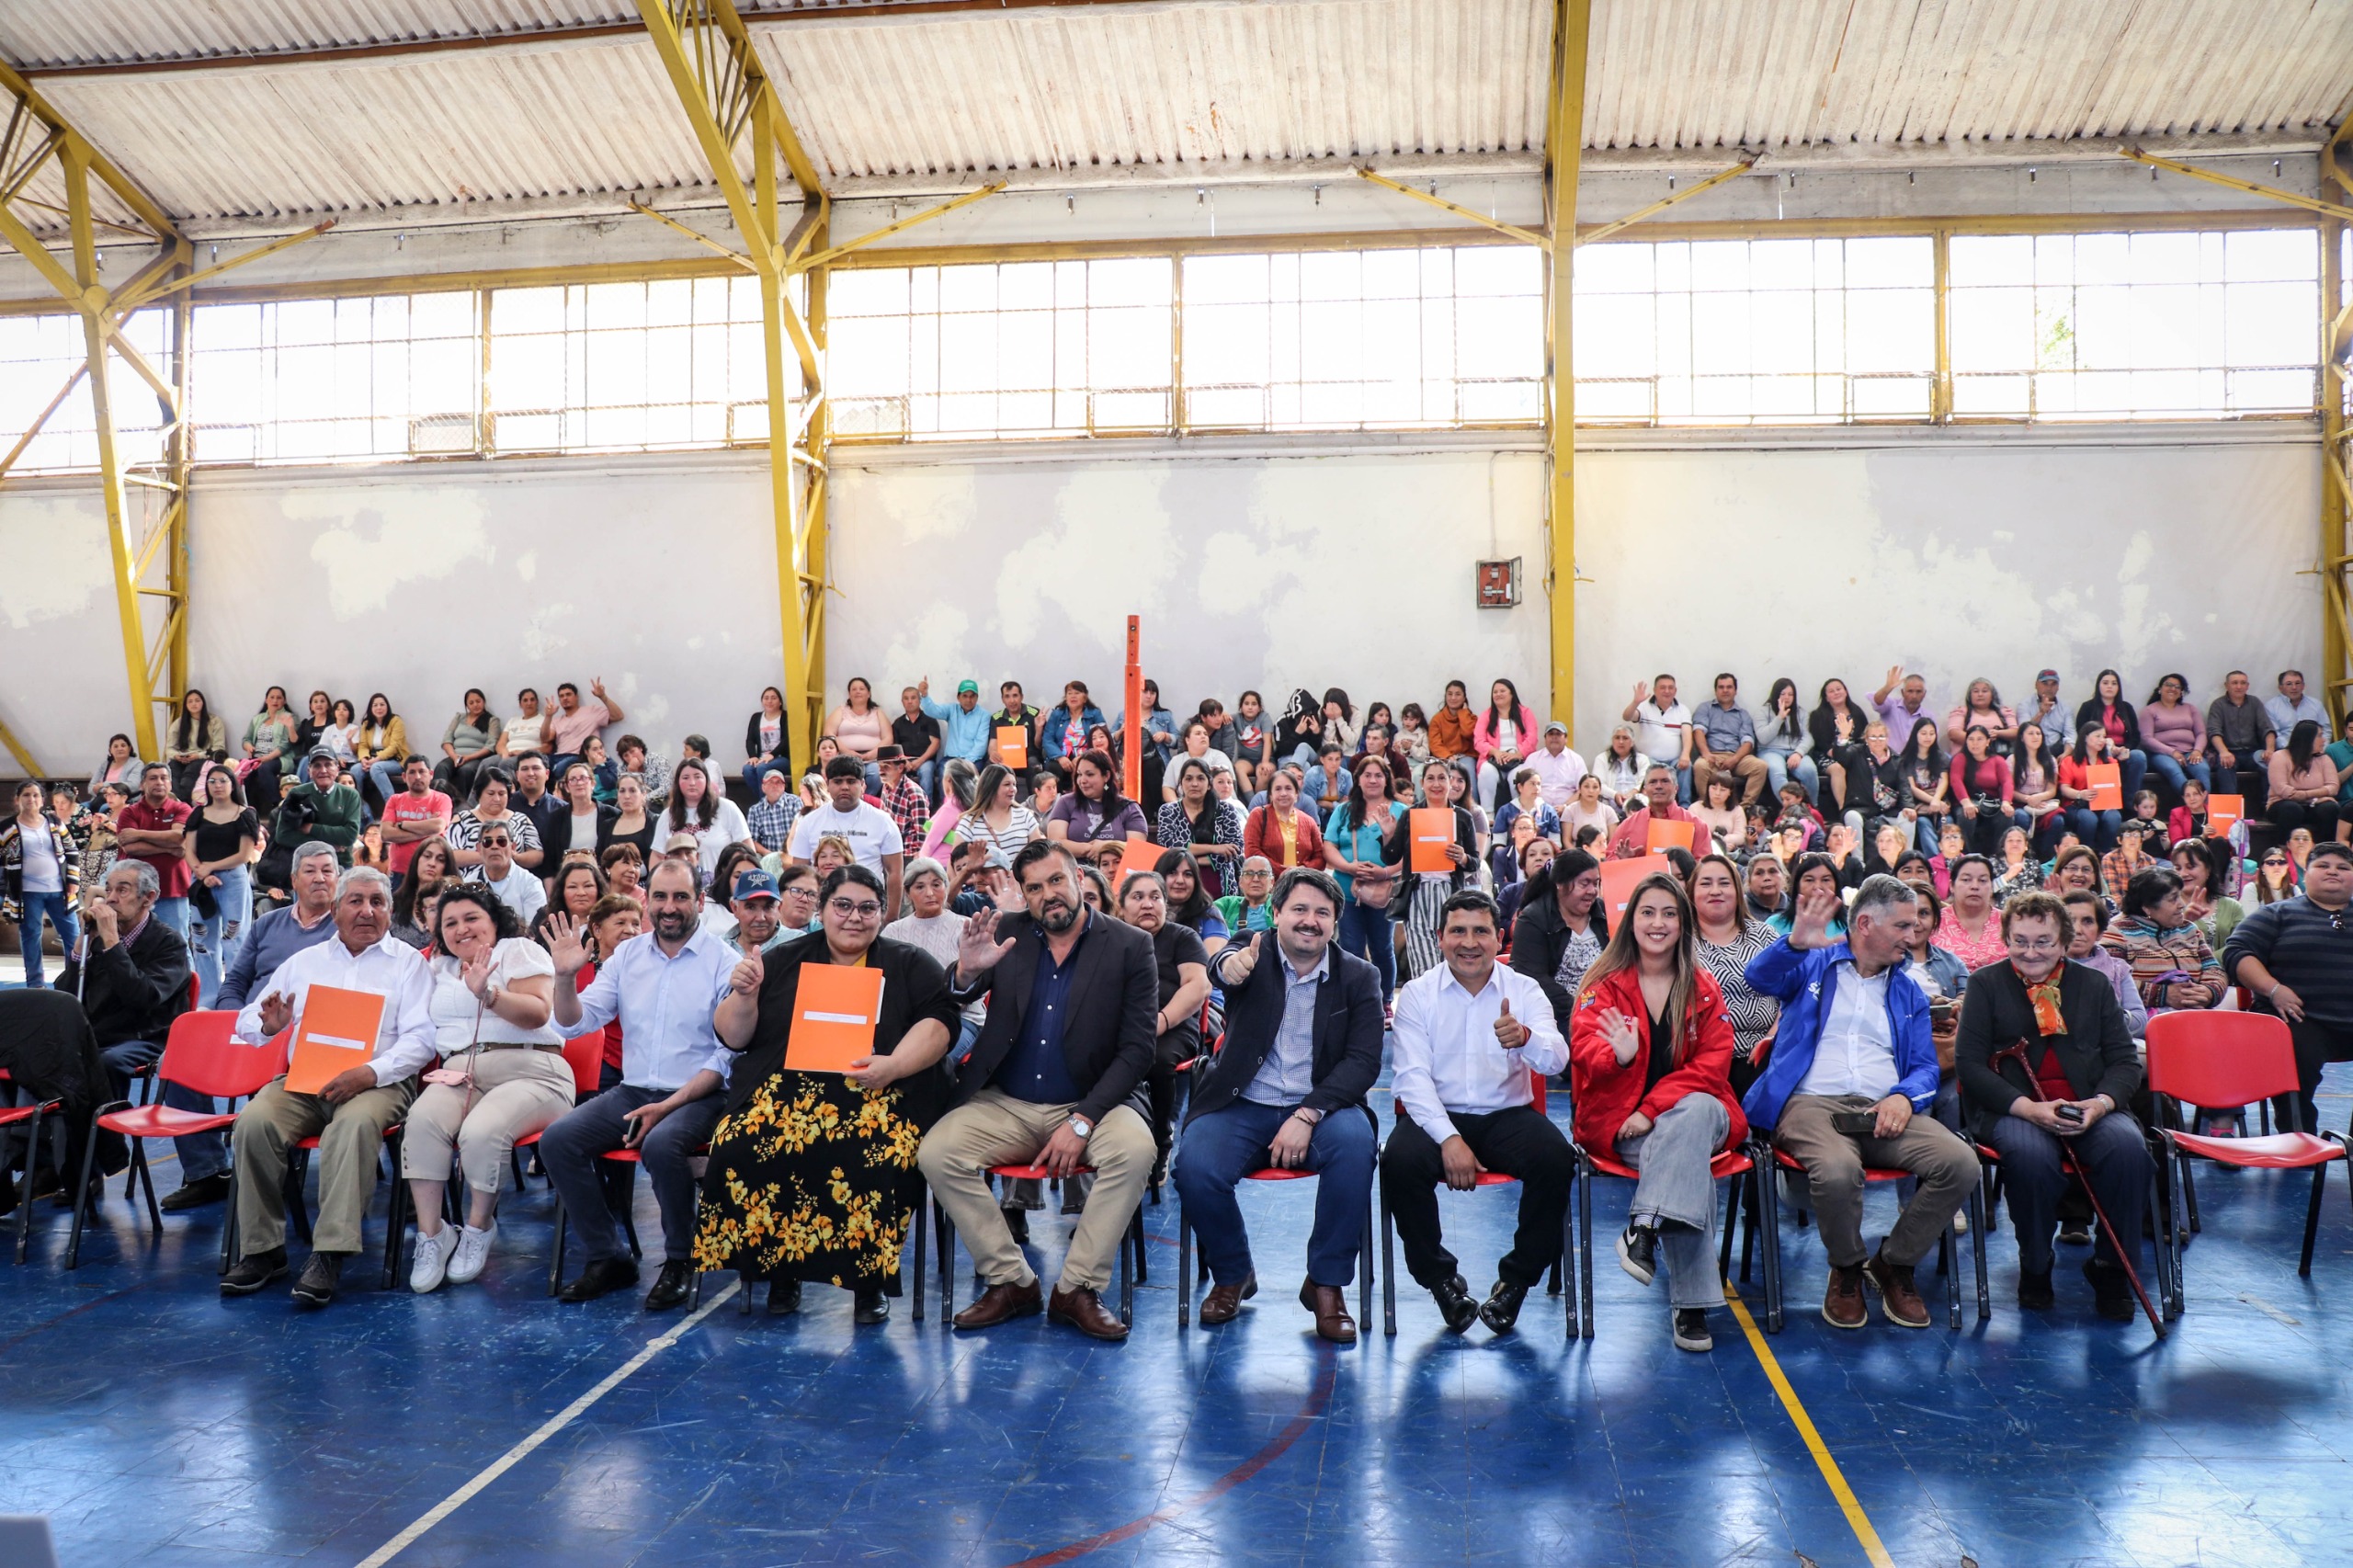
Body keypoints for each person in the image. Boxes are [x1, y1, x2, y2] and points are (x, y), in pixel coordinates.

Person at [915, 841, 1159, 1341]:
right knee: (937, 1153)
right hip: (1007, 1102)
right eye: (1033, 888)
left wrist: (1083, 1120)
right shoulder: (1006, 935)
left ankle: (1077, 1288)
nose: (1048, 895)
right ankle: (1011, 1281)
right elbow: (954, 998)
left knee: (1137, 1152)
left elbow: (1137, 1051)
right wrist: (966, 972)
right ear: (1022, 895)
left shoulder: (1131, 945)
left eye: (1055, 881)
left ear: (1076, 879)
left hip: (1094, 1102)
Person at [693, 862, 959, 1322]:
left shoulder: (909, 963)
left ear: (883, 913)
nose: (854, 917)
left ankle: (867, 1280)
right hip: (788, 1087)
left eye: (867, 908)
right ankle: (778, 1271)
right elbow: (733, 1037)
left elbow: (943, 1024)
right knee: (742, 1142)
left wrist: (894, 1066)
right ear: (822, 908)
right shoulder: (779, 960)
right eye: (842, 906)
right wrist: (744, 997)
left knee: (877, 1153)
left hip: (880, 1089)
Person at [1743, 875, 1981, 1330]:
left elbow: (1926, 1068)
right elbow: (1758, 978)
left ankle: (1893, 1262)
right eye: (1904, 926)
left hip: (1883, 1106)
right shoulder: (1813, 963)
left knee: (1961, 1162)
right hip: (1811, 1103)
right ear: (1866, 923)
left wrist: (1904, 1097)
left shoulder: (1910, 990)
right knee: (1836, 1170)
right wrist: (1793, 944)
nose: (1914, 937)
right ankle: (1848, 1268)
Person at [1176, 869, 1383, 1342]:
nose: (1309, 921)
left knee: (1356, 1148)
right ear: (1276, 915)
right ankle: (1233, 1272)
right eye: (1299, 910)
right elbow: (1223, 961)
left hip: (1324, 1108)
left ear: (1335, 922)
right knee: (1195, 1166)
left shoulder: (1359, 976)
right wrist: (1225, 966)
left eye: (1322, 913)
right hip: (1241, 1102)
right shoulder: (1253, 948)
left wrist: (1308, 1114)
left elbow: (1363, 1062)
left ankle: (1326, 1284)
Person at [222, 868, 434, 1307]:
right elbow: (247, 1022)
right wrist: (268, 1025)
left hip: (378, 1082)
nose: (367, 911)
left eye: (377, 902)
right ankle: (263, 1251)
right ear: (335, 910)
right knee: (254, 1123)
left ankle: (329, 1252)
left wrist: (370, 1073)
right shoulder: (306, 962)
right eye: (355, 901)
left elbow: (421, 1039)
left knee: (351, 1128)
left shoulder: (409, 964)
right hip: (306, 1081)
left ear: (390, 913)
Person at [540, 857, 735, 1309]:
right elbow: (574, 1023)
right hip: (633, 1091)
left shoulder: (724, 962)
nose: (670, 907)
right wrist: (565, 977)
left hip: (698, 1095)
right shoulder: (628, 955)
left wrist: (666, 1108)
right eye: (661, 897)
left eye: (681, 897)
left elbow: (727, 1057)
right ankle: (609, 1257)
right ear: (649, 901)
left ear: (700, 901)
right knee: (558, 1141)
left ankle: (681, 1261)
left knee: (660, 1145)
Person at [1381, 890, 1572, 1335]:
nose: (1470, 942)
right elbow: (1411, 1079)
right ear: (1439, 937)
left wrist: (1525, 1038)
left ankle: (1516, 1282)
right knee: (1399, 1163)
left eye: (1481, 931)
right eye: (1458, 931)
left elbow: (1557, 1059)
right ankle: (1441, 1281)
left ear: (1499, 936)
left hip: (1507, 1116)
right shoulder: (1417, 994)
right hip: (1434, 1116)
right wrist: (1450, 1139)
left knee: (1555, 1160)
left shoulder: (1524, 990)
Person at [1573, 871, 1748, 1352]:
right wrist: (1620, 1056)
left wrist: (1652, 1110)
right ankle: (1690, 1305)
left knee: (1692, 1113)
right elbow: (1584, 1052)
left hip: (1690, 1115)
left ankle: (1644, 1226)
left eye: (1669, 913)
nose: (1658, 923)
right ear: (1630, 922)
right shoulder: (1602, 986)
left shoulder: (1704, 988)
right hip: (1620, 1124)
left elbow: (1713, 1067)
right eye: (1648, 912)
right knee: (1685, 1159)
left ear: (1683, 923)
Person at [1956, 891, 2150, 1319]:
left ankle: (2111, 1267)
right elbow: (1970, 1066)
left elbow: (2123, 1061)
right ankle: (2036, 1263)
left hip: (2089, 1106)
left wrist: (2100, 1105)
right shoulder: (1985, 984)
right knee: (2029, 1157)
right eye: (2020, 941)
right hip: (2017, 1108)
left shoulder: (2094, 985)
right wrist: (2027, 1108)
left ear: (2063, 940)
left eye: (2043, 941)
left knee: (2129, 1152)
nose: (2031, 952)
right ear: (2005, 938)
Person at [399, 882, 571, 1292]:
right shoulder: (436, 968)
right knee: (420, 1122)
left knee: (482, 1131)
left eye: (472, 918)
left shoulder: (518, 951)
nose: (462, 929)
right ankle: (433, 1235)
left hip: (534, 1066)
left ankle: (478, 1227)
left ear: (495, 921)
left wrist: (488, 994)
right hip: (462, 1070)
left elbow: (537, 1013)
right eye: (450, 923)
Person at [58, 862, 207, 1207]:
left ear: (149, 898)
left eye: (122, 890)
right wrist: (83, 947)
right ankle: (53, 1163)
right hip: (99, 1033)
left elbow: (144, 999)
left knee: (105, 1063)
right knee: (39, 1057)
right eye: (107, 889)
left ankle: (97, 1163)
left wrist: (111, 945)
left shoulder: (168, 942)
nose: (110, 899)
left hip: (147, 1036)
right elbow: (67, 995)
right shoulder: (98, 937)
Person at [2222, 838, 2353, 1133]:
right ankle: (2299, 1135)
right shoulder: (2277, 913)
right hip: (2298, 1019)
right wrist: (2273, 989)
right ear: (2306, 875)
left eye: (2343, 867)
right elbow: (2237, 953)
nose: (2333, 871)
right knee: (2293, 1050)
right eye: (2323, 866)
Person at [1120, 871, 1212, 1187]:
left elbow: (1197, 985)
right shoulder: (1112, 937)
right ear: (1121, 907)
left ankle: (1161, 1141)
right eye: (1138, 897)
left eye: (1155, 897)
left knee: (1155, 1060)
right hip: (1119, 1026)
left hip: (1172, 1027)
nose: (1147, 904)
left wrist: (1158, 1022)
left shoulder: (1182, 937)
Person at [1689, 853, 1779, 1097]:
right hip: (1701, 1057)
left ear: (1738, 891)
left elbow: (1791, 995)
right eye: (1706, 883)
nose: (1715, 891)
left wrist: (1772, 1038)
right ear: (1692, 893)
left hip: (1764, 1052)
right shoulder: (1679, 941)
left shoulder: (1766, 936)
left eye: (1724, 883)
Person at [1323, 754, 1406, 1006]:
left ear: (1386, 779)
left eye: (1378, 775)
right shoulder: (1344, 810)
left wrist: (1385, 872)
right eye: (1367, 775)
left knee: (1382, 948)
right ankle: (1352, 1003)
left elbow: (1410, 853)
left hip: (1385, 892)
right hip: (1348, 891)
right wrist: (1348, 867)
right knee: (1351, 949)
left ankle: (1385, 1002)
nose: (1372, 780)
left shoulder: (1402, 810)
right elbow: (1329, 846)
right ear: (1358, 779)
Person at [787, 755, 907, 916]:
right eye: (838, 781)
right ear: (827, 784)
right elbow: (799, 874)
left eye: (851, 781)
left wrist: (890, 919)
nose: (844, 787)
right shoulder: (809, 822)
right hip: (821, 915)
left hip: (868, 912)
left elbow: (895, 873)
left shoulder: (883, 821)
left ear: (863, 785)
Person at [2099, 866, 2224, 1019]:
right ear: (2147, 907)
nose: (2182, 905)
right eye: (2173, 899)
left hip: (2197, 1017)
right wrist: (2163, 995)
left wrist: (2209, 992)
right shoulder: (2117, 933)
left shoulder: (2189, 930)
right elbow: (2112, 984)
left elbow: (2214, 970)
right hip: (2144, 1027)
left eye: (2180, 896)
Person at [181, 766, 258, 1007]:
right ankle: (208, 997)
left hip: (232, 879)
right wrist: (201, 873)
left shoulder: (244, 813)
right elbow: (188, 850)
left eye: (222, 781)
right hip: (201, 879)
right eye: (212, 781)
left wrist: (211, 867)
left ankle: (235, 997)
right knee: (203, 939)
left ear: (232, 784)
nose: (217, 785)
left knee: (234, 938)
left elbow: (244, 854)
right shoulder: (198, 814)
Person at [4, 780, 78, 989]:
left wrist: (72, 881)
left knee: (73, 936)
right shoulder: (7, 828)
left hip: (60, 890)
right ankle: (35, 984)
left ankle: (74, 981)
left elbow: (72, 851)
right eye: (26, 795)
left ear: (42, 800)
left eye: (36, 795)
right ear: (17, 800)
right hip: (28, 892)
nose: (31, 799)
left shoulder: (53, 822)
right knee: (31, 937)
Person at [115, 766, 195, 941]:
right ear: (142, 784)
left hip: (173, 889)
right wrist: (166, 848)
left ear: (170, 784)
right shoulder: (129, 812)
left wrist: (139, 834)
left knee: (177, 943)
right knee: (133, 943)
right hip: (135, 892)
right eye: (153, 778)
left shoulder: (182, 809)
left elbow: (178, 837)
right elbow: (130, 847)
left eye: (164, 778)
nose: (159, 782)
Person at [2059, 890, 2148, 1040]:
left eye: (2087, 922)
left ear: (2100, 932)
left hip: (2111, 1045)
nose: (2078, 930)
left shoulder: (2118, 969)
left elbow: (2140, 1022)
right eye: (2069, 921)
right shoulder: (2043, 968)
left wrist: (2102, 1016)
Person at [1155, 756, 1245, 896]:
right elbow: (1169, 846)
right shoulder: (1168, 811)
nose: (1195, 784)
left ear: (1209, 784)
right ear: (1181, 784)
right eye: (1189, 779)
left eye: (1201, 778)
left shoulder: (1225, 810)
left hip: (1221, 887)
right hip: (1180, 886)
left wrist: (1200, 860)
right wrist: (1215, 848)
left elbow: (1236, 848)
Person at [274, 749, 365, 871]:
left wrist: (311, 828)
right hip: (305, 865)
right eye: (317, 765)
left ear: (337, 769)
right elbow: (283, 835)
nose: (323, 770)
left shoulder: (350, 795)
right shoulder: (296, 793)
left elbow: (350, 836)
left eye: (328, 764)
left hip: (341, 863)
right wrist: (328, 846)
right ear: (309, 771)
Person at [1691, 672, 1768, 809]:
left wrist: (1735, 759)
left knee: (1760, 766)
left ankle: (1745, 808)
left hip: (1736, 757)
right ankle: (1707, 806)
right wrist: (1706, 754)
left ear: (1735, 691)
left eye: (1729, 687)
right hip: (1712, 755)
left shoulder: (1743, 714)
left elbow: (1748, 742)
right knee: (1700, 766)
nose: (1725, 690)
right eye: (1721, 687)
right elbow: (1698, 732)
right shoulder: (1705, 708)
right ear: (1715, 691)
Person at [1046, 748, 1147, 847]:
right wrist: (1090, 849)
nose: (1082, 780)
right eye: (1079, 774)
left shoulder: (1129, 808)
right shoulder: (1065, 802)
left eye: (1090, 774)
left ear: (1106, 776)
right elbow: (1056, 844)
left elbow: (1137, 848)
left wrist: (1105, 847)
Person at [2206, 669, 2277, 811]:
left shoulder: (2255, 702)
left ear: (2247, 686)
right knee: (2225, 766)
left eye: (2242, 683)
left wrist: (2270, 750)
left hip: (2252, 752)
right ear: (2226, 685)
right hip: (2229, 752)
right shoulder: (2218, 705)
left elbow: (2267, 729)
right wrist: (2224, 752)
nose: (2239, 686)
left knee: (2272, 763)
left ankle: (2270, 806)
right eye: (2235, 683)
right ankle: (2231, 810)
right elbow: (2214, 732)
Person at [379, 756, 453, 889]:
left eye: (422, 771)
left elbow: (438, 826)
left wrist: (403, 824)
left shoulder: (442, 799)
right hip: (399, 873)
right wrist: (427, 831)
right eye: (412, 772)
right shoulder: (395, 800)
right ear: (404, 776)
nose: (417, 776)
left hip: (432, 873)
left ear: (431, 774)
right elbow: (386, 834)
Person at [1606, 764, 1706, 860]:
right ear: (1645, 790)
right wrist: (1624, 861)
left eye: (1665, 781)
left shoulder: (1696, 825)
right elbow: (1610, 858)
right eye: (1653, 782)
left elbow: (1704, 864)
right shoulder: (1628, 826)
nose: (1658, 786)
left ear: (1676, 788)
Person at [2267, 720, 2343, 843]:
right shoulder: (2280, 756)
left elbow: (2333, 787)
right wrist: (2318, 794)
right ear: (2307, 739)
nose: (2323, 740)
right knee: (2292, 809)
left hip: (2314, 805)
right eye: (2319, 736)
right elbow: (2284, 790)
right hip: (2282, 804)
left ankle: (2326, 850)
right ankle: (2284, 851)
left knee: (2330, 809)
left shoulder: (2324, 758)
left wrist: (2306, 795)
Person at [2140, 674, 2210, 804]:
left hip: (2190, 752)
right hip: (2161, 754)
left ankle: (2205, 807)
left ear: (2181, 692)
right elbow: (2146, 739)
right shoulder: (2149, 710)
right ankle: (2191, 804)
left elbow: (2201, 733)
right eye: (2169, 685)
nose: (2173, 688)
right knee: (2173, 770)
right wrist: (2172, 752)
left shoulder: (2190, 708)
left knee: (2203, 769)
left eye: (2178, 686)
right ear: (2160, 689)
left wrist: (2197, 751)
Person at [1624, 675, 1695, 802]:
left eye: (1670, 688)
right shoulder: (1644, 706)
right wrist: (1636, 702)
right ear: (1655, 690)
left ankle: (1685, 806)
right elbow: (1627, 717)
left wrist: (1685, 754)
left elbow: (1687, 734)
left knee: (1687, 766)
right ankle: (1653, 806)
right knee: (1650, 767)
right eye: (1663, 687)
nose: (1667, 691)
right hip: (1649, 759)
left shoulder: (1682, 710)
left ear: (1675, 691)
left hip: (1675, 760)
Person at [1949, 725, 2017, 857]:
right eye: (1971, 739)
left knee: (2006, 817)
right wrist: (1966, 802)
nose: (1975, 743)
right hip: (1967, 801)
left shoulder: (1998, 760)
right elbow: (1956, 781)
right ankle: (1966, 855)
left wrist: (2006, 802)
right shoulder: (1960, 758)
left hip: (1991, 803)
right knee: (1966, 816)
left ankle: (1997, 855)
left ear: (1987, 742)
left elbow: (2007, 782)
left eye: (1979, 739)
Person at [1244, 767, 1326, 872]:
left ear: (1296, 794)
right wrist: (1283, 872)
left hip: (1302, 883)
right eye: (1278, 789)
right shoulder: (1258, 815)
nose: (1283, 793)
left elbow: (1320, 856)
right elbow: (1251, 851)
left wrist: (1303, 870)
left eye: (1288, 788)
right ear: (1270, 795)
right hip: (1269, 884)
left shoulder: (1309, 821)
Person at [2058, 724, 2127, 851]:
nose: (2102, 740)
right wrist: (2080, 794)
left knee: (2114, 817)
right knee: (2088, 819)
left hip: (2103, 804)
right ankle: (2085, 852)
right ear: (2085, 737)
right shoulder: (2069, 761)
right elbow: (2064, 788)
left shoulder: (2111, 762)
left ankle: (2104, 853)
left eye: (2104, 737)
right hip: (2077, 804)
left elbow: (2115, 786)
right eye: (2097, 736)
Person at [1937, 855, 2006, 971]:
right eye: (1966, 880)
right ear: (1952, 886)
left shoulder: (2008, 922)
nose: (1975, 886)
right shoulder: (1935, 922)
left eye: (1983, 880)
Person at [541, 678, 620, 775]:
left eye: (568, 694)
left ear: (576, 697)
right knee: (538, 765)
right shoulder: (556, 720)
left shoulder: (591, 711)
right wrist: (548, 717)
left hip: (579, 756)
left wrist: (603, 696)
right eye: (561, 696)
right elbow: (545, 738)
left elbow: (618, 716)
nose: (565, 698)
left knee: (559, 769)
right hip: (557, 757)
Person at [434, 688, 499, 801]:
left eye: (478, 701)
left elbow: (490, 746)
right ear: (467, 705)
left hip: (476, 757)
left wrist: (468, 757)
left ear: (484, 702)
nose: (475, 705)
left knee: (466, 771)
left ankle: (461, 804)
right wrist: (454, 757)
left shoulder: (492, 720)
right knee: (441, 767)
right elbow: (447, 740)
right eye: (471, 703)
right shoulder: (459, 717)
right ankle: (440, 801)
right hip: (456, 756)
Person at [240, 687, 299, 813]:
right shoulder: (258, 718)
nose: (275, 700)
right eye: (272, 697)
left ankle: (277, 805)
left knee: (264, 768)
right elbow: (246, 739)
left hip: (279, 758)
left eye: (279, 698)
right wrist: (248, 746)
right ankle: (245, 808)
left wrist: (267, 758)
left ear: (284, 701)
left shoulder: (289, 717)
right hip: (257, 757)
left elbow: (286, 745)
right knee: (241, 769)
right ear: (266, 700)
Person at [165, 688, 229, 801]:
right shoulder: (179, 723)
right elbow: (170, 748)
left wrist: (198, 756)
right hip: (181, 758)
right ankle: (178, 803)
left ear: (203, 703)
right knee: (171, 773)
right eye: (190, 701)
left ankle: (182, 804)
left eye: (197, 700)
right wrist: (176, 756)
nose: (194, 704)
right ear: (186, 705)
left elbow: (219, 748)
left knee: (187, 778)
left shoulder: (214, 721)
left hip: (202, 758)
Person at [873, 745, 932, 847]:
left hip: (908, 851)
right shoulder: (886, 787)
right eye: (879, 766)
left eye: (886, 767)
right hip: (890, 847)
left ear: (900, 768)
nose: (880, 771)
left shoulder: (914, 793)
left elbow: (923, 833)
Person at [356, 694, 408, 808]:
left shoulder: (396, 721)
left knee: (376, 768)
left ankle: (392, 806)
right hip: (372, 760)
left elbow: (394, 747)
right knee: (355, 770)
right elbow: (363, 745)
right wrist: (364, 759)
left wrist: (375, 760)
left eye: (382, 705)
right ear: (371, 708)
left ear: (387, 707)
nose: (379, 708)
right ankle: (359, 808)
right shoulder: (366, 724)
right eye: (375, 705)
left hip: (396, 760)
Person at [1588, 723, 1652, 814]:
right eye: (1617, 738)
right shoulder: (1602, 758)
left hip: (1636, 804)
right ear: (1612, 741)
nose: (1621, 742)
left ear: (1632, 742)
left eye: (1625, 738)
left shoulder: (1642, 759)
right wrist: (1615, 795)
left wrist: (1632, 794)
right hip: (1609, 804)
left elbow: (1645, 782)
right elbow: (1598, 785)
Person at [1526, 720, 1587, 812]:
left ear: (1566, 738)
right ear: (1545, 738)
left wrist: (1565, 806)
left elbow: (1582, 789)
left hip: (1568, 811)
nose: (1554, 737)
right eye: (1551, 734)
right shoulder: (1533, 759)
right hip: (1537, 809)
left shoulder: (1576, 760)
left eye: (1558, 734)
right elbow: (1525, 786)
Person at [2266, 668, 2333, 745]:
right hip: (2285, 751)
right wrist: (2291, 749)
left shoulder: (2316, 704)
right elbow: (2275, 734)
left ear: (2303, 686)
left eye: (2297, 683)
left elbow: (2326, 730)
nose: (2294, 687)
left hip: (2314, 750)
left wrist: (2322, 748)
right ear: (2280, 688)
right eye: (2289, 684)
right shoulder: (2271, 706)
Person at [89, 733, 145, 800]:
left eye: (123, 746)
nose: (120, 749)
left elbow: (133, 786)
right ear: (110, 750)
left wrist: (105, 785)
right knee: (81, 808)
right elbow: (91, 787)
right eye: (116, 746)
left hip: (124, 802)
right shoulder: (105, 764)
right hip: (101, 799)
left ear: (129, 748)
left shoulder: (137, 764)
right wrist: (105, 790)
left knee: (103, 808)